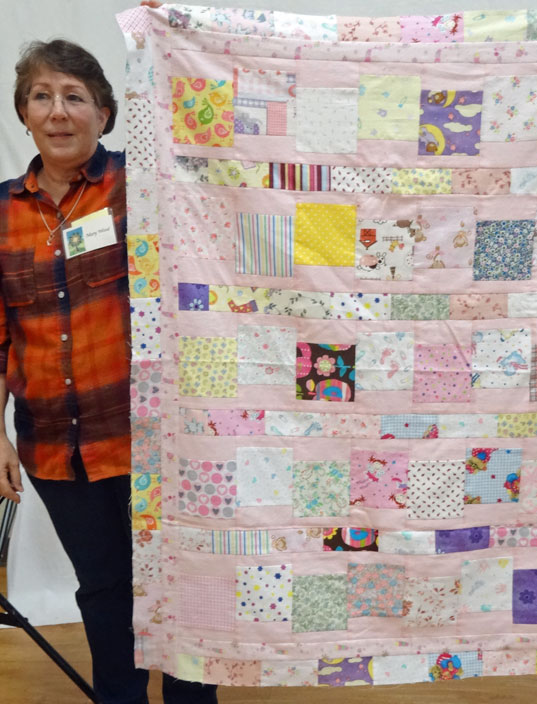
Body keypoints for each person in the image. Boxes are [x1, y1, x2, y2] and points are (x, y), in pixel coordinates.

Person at [0, 39, 218, 704]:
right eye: (42, 96)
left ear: (104, 113)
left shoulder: (147, 187)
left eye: (75, 97)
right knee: (102, 587)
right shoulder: (1, 212)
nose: (58, 111)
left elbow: (220, 174)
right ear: (23, 113)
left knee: (182, 583)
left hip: (159, 438)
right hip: (56, 446)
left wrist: (175, 42)